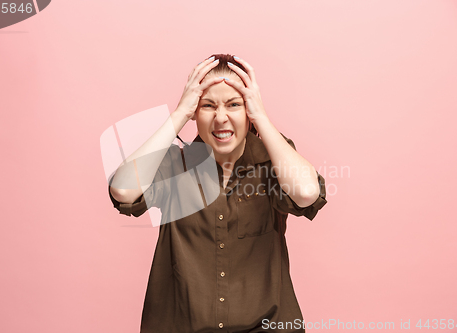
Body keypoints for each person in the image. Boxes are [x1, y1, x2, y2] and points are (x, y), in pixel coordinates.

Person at [108, 54, 327, 333]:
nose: (220, 118)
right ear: (195, 113)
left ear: (248, 110)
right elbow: (123, 190)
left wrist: (260, 116)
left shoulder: (273, 164)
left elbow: (307, 193)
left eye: (234, 105)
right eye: (207, 106)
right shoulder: (175, 164)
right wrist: (178, 115)